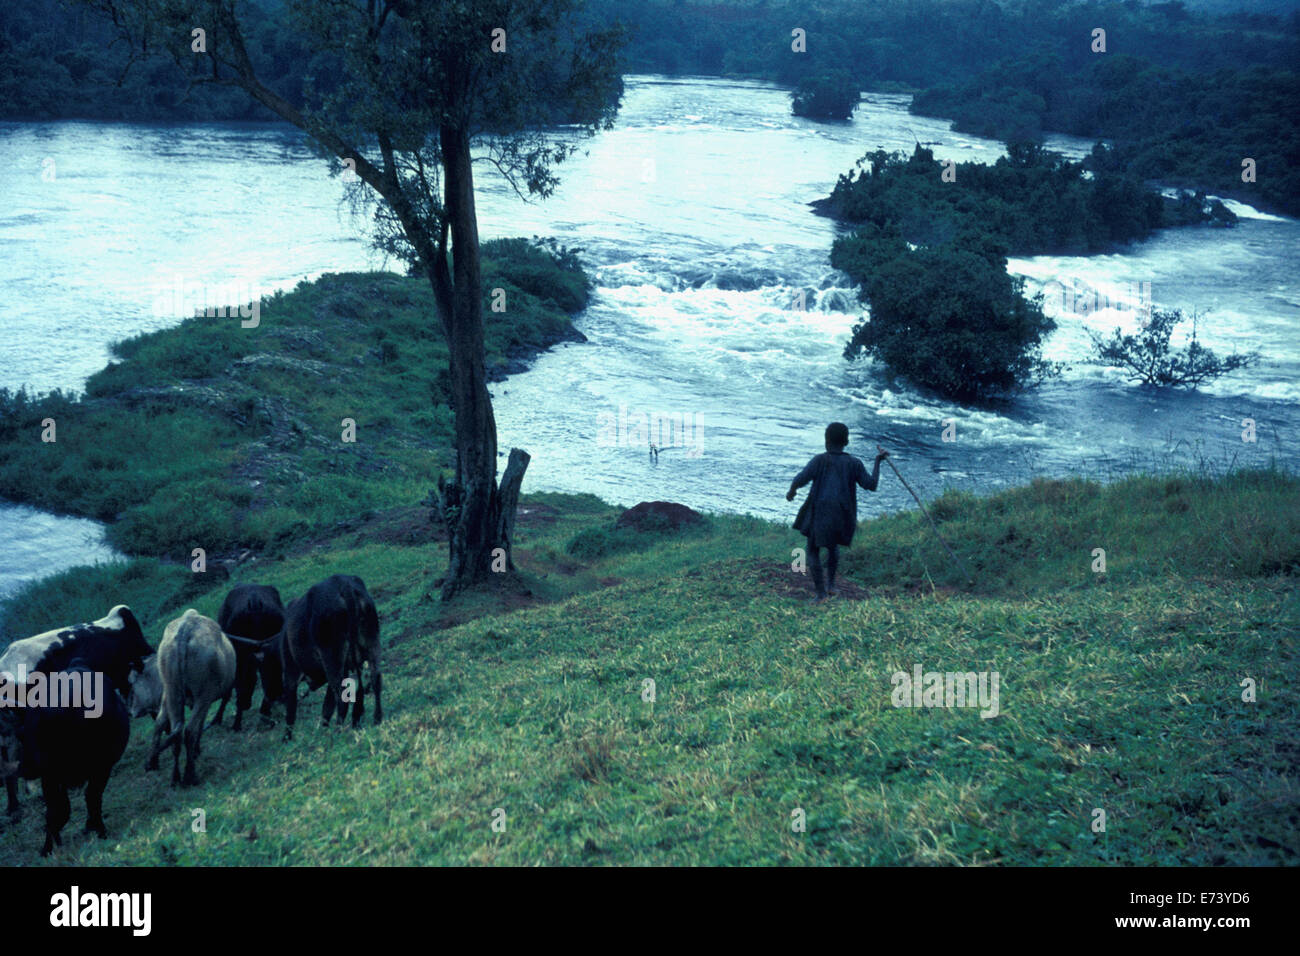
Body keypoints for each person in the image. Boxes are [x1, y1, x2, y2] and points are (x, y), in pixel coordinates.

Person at [786, 422, 888, 601]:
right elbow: (871, 485)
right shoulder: (854, 463)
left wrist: (792, 491)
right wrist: (878, 462)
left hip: (821, 512)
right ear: (847, 442)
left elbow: (800, 478)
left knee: (812, 550)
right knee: (832, 547)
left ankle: (821, 594)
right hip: (843, 514)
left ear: (826, 441)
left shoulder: (820, 460)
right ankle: (831, 585)